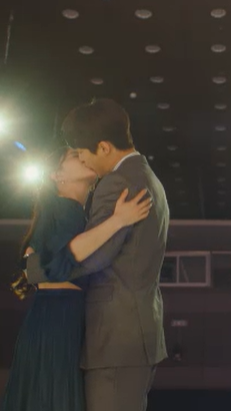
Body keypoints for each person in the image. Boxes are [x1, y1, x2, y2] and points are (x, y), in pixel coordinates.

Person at [25, 98, 170, 411]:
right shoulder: (145, 176)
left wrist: (38, 268)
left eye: (82, 152)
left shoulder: (118, 182)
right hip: (131, 333)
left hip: (115, 338)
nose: (83, 160)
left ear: (103, 147)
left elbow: (95, 257)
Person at [1, 147, 152, 411]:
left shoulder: (70, 212)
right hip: (58, 315)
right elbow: (61, 262)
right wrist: (118, 221)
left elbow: (46, 265)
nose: (83, 157)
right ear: (56, 175)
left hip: (59, 313)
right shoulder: (63, 207)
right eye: (73, 156)